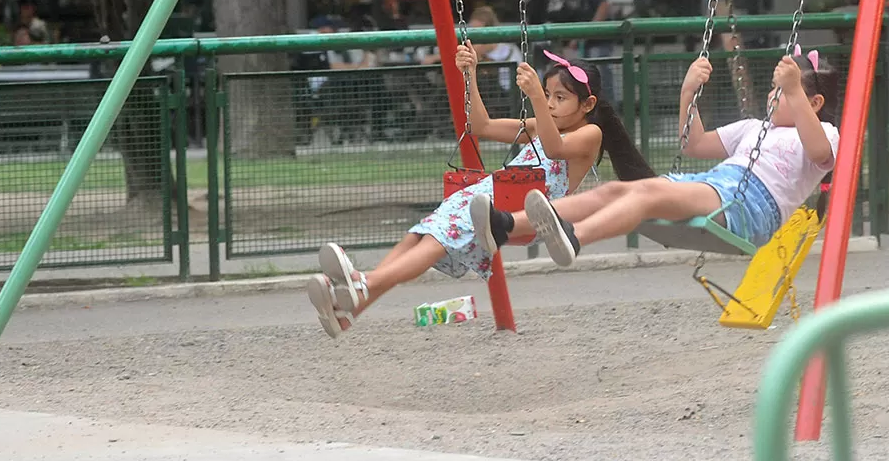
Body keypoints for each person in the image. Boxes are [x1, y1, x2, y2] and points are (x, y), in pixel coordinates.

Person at [306, 45, 651, 337]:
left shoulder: (590, 135)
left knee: (435, 241)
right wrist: (469, 74)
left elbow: (556, 147)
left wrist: (534, 99)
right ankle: (349, 309)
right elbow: (481, 126)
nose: (550, 103)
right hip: (486, 195)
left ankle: (362, 282)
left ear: (587, 105)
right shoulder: (543, 122)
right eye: (548, 95)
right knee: (419, 236)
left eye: (560, 98)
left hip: (517, 213)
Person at [473, 50, 838, 267]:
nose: (775, 97)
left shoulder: (824, 135)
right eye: (775, 90)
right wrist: (687, 92)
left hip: (750, 205)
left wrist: (794, 87)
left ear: (815, 104)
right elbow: (693, 145)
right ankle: (505, 225)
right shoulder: (753, 127)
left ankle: (575, 237)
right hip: (716, 185)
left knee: (644, 197)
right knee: (615, 191)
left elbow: (822, 155)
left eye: (784, 94)